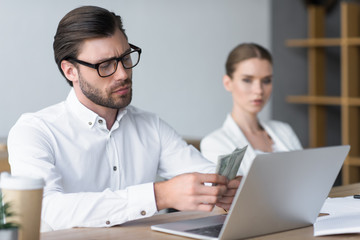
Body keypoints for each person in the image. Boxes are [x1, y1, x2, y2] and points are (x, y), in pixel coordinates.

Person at [7, 6, 241, 231]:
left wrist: (228, 189)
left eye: (126, 58)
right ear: (70, 71)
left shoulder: (151, 127)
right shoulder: (35, 131)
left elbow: (207, 177)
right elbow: (48, 208)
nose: (123, 74)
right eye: (105, 65)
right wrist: (159, 195)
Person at [200, 43, 302, 175]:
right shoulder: (214, 143)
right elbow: (231, 193)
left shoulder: (284, 130)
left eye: (266, 81)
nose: (259, 90)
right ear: (228, 83)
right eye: (247, 80)